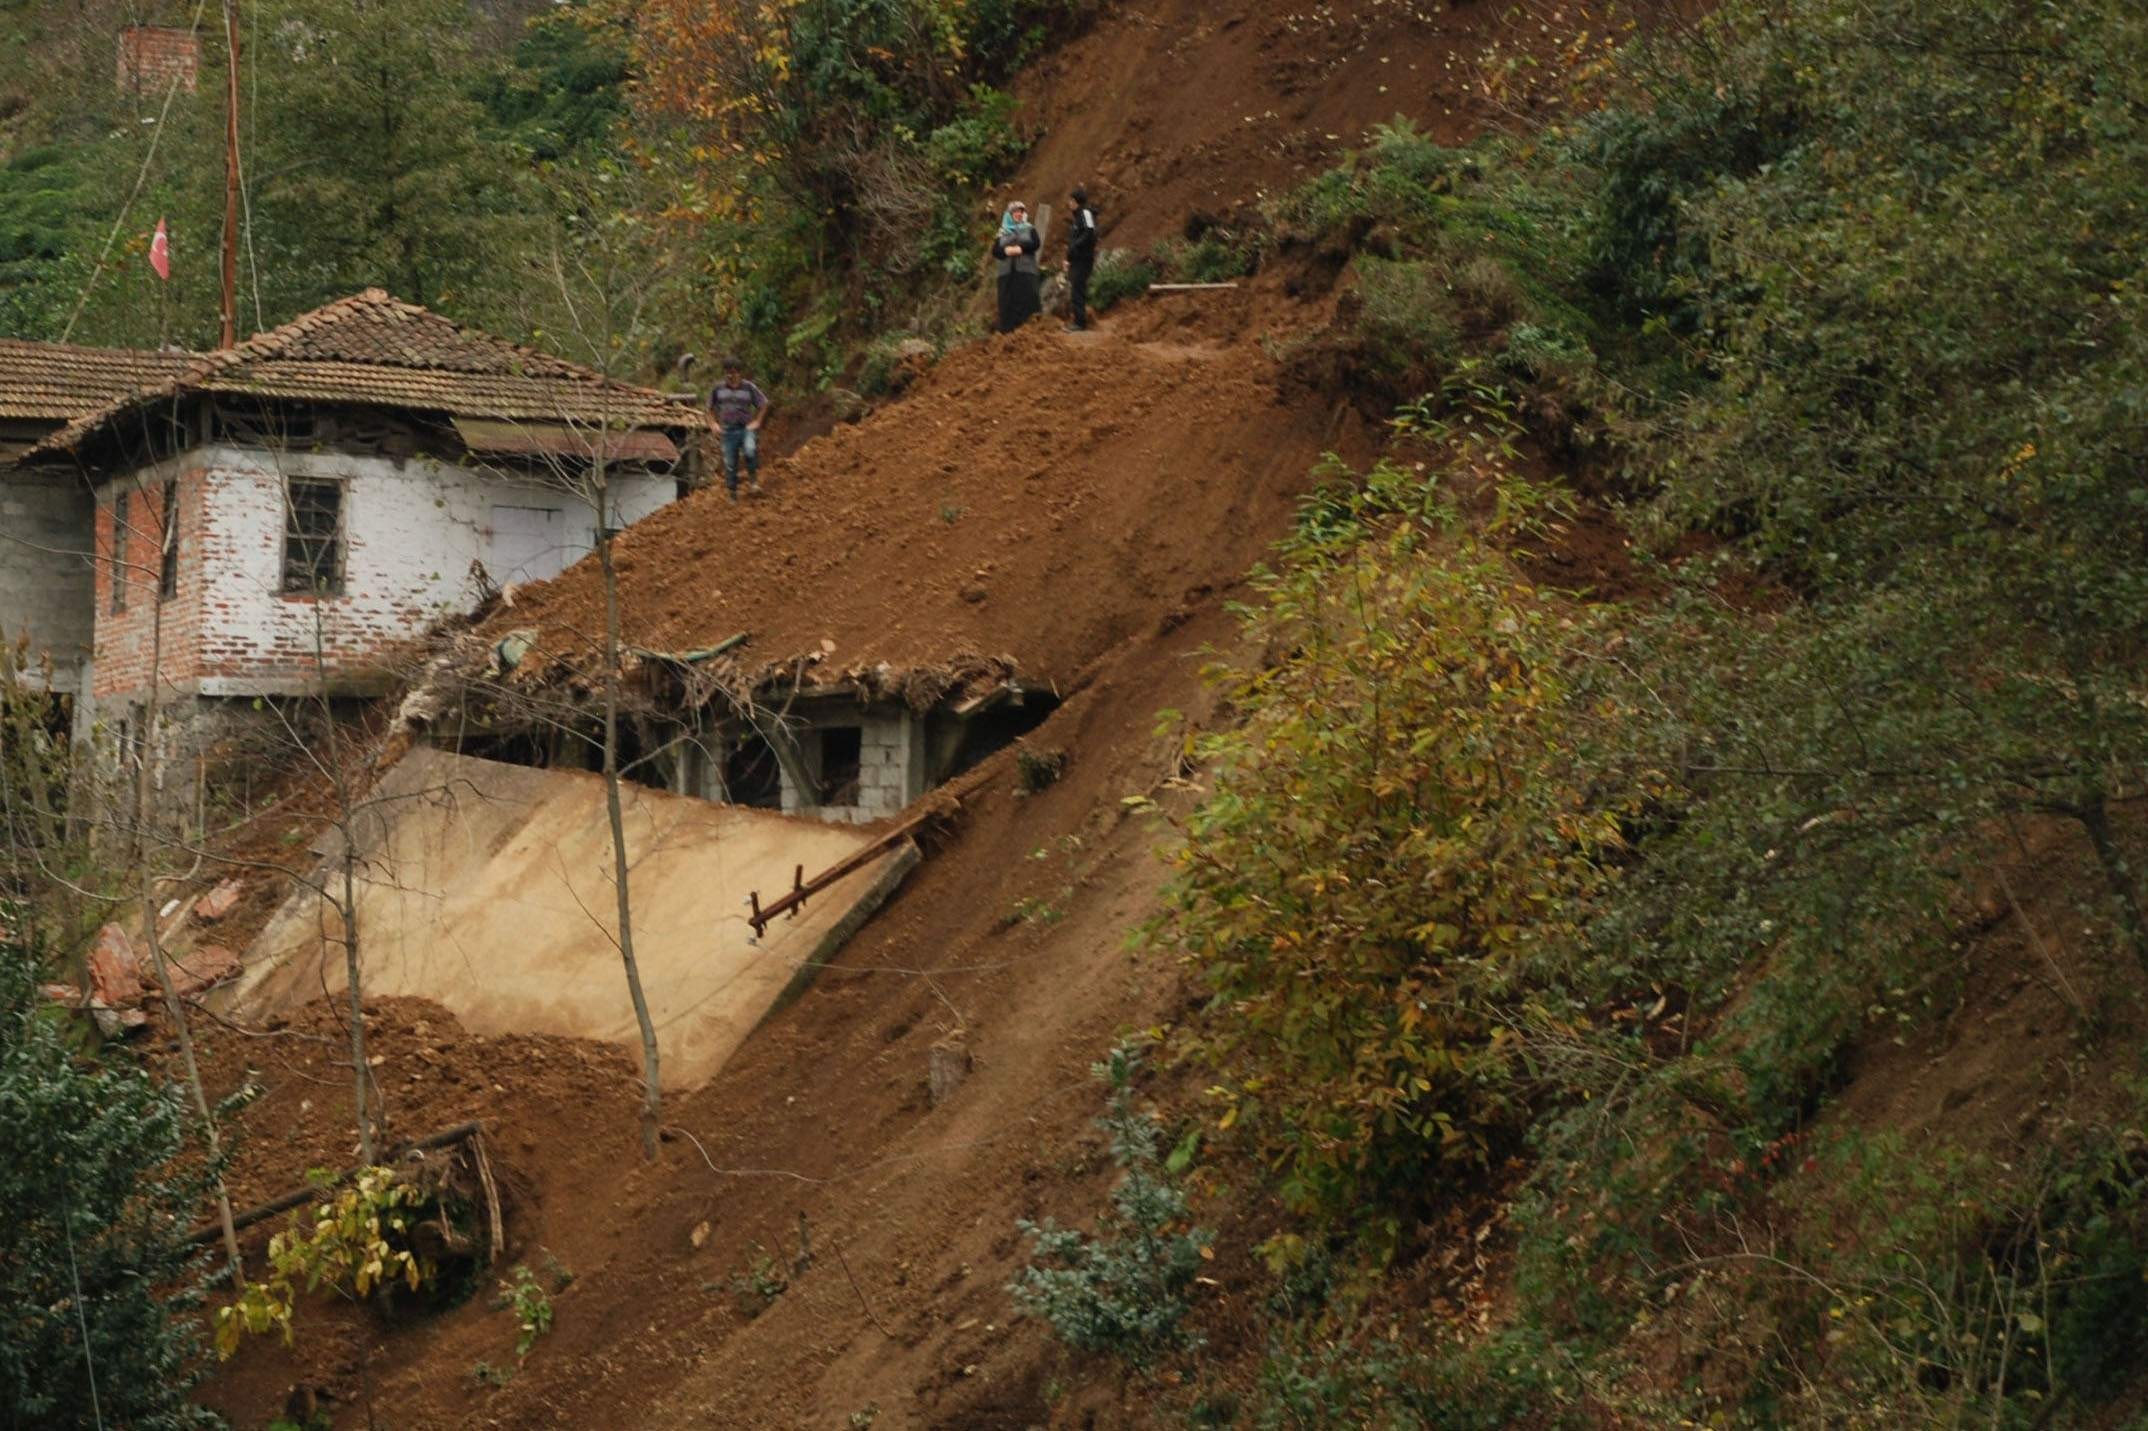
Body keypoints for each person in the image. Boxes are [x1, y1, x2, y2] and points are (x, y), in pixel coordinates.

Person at [707, 357, 770, 498]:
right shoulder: (718, 389)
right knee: (730, 462)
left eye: (734, 372)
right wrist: (713, 424)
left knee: (750, 450)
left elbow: (764, 403)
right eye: (728, 372)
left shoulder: (749, 388)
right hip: (728, 430)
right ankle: (732, 493)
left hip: (746, 428)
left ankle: (753, 483)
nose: (731, 375)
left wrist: (758, 421)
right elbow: (709, 408)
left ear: (739, 373)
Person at [992, 201, 1041, 334]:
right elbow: (995, 250)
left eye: (1020, 211)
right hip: (1006, 274)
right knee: (1008, 303)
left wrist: (1021, 248)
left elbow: (1036, 243)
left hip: (1025, 271)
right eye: (1015, 212)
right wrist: (1006, 251)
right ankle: (1008, 335)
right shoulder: (1002, 232)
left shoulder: (1029, 228)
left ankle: (1029, 332)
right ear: (1009, 214)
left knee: (1027, 300)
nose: (1018, 214)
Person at [1065, 186, 1098, 331]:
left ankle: (1080, 323)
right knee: (1076, 288)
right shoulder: (1077, 217)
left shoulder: (1085, 212)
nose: (1069, 203)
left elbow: (1090, 232)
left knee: (1078, 289)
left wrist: (1076, 247)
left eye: (1071, 200)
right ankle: (1079, 319)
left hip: (1084, 259)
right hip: (1077, 259)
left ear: (1076, 201)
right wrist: (1068, 258)